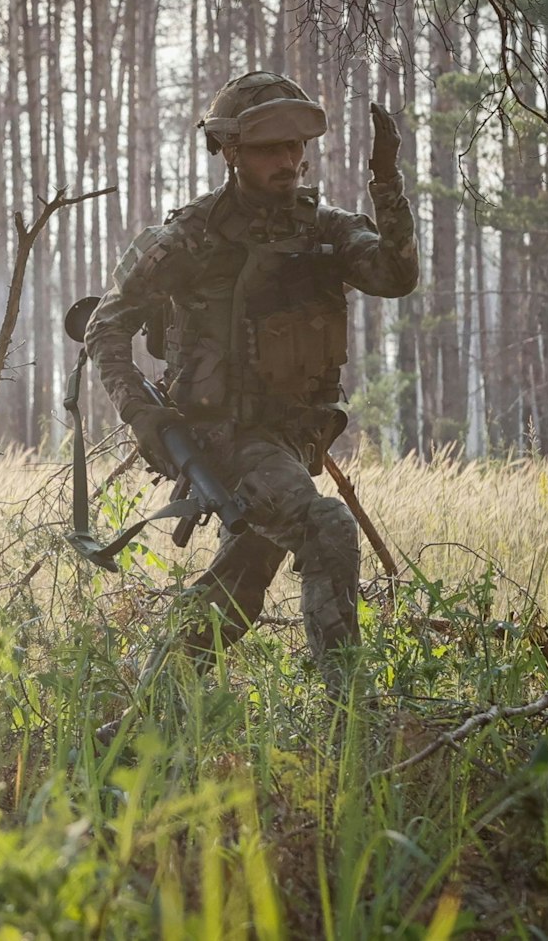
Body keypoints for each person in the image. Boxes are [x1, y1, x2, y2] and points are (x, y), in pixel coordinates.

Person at [86, 70, 418, 683]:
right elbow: (105, 328)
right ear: (231, 151)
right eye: (271, 148)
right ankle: (352, 717)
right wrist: (147, 419)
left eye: (296, 147)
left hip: (293, 437)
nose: (289, 160)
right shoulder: (189, 237)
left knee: (234, 592)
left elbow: (395, 277)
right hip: (222, 433)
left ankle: (142, 721)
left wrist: (386, 181)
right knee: (326, 526)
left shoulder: (325, 227)